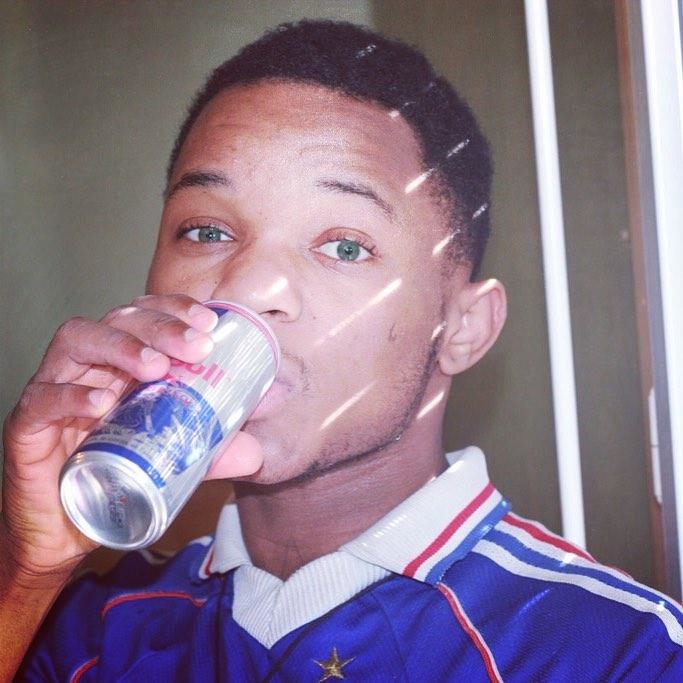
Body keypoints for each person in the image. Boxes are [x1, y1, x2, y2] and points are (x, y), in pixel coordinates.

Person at [1, 19, 681, 682]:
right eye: (207, 231)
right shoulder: (87, 632)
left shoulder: (620, 654)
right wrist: (30, 566)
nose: (245, 287)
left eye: (345, 246)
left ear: (463, 327)